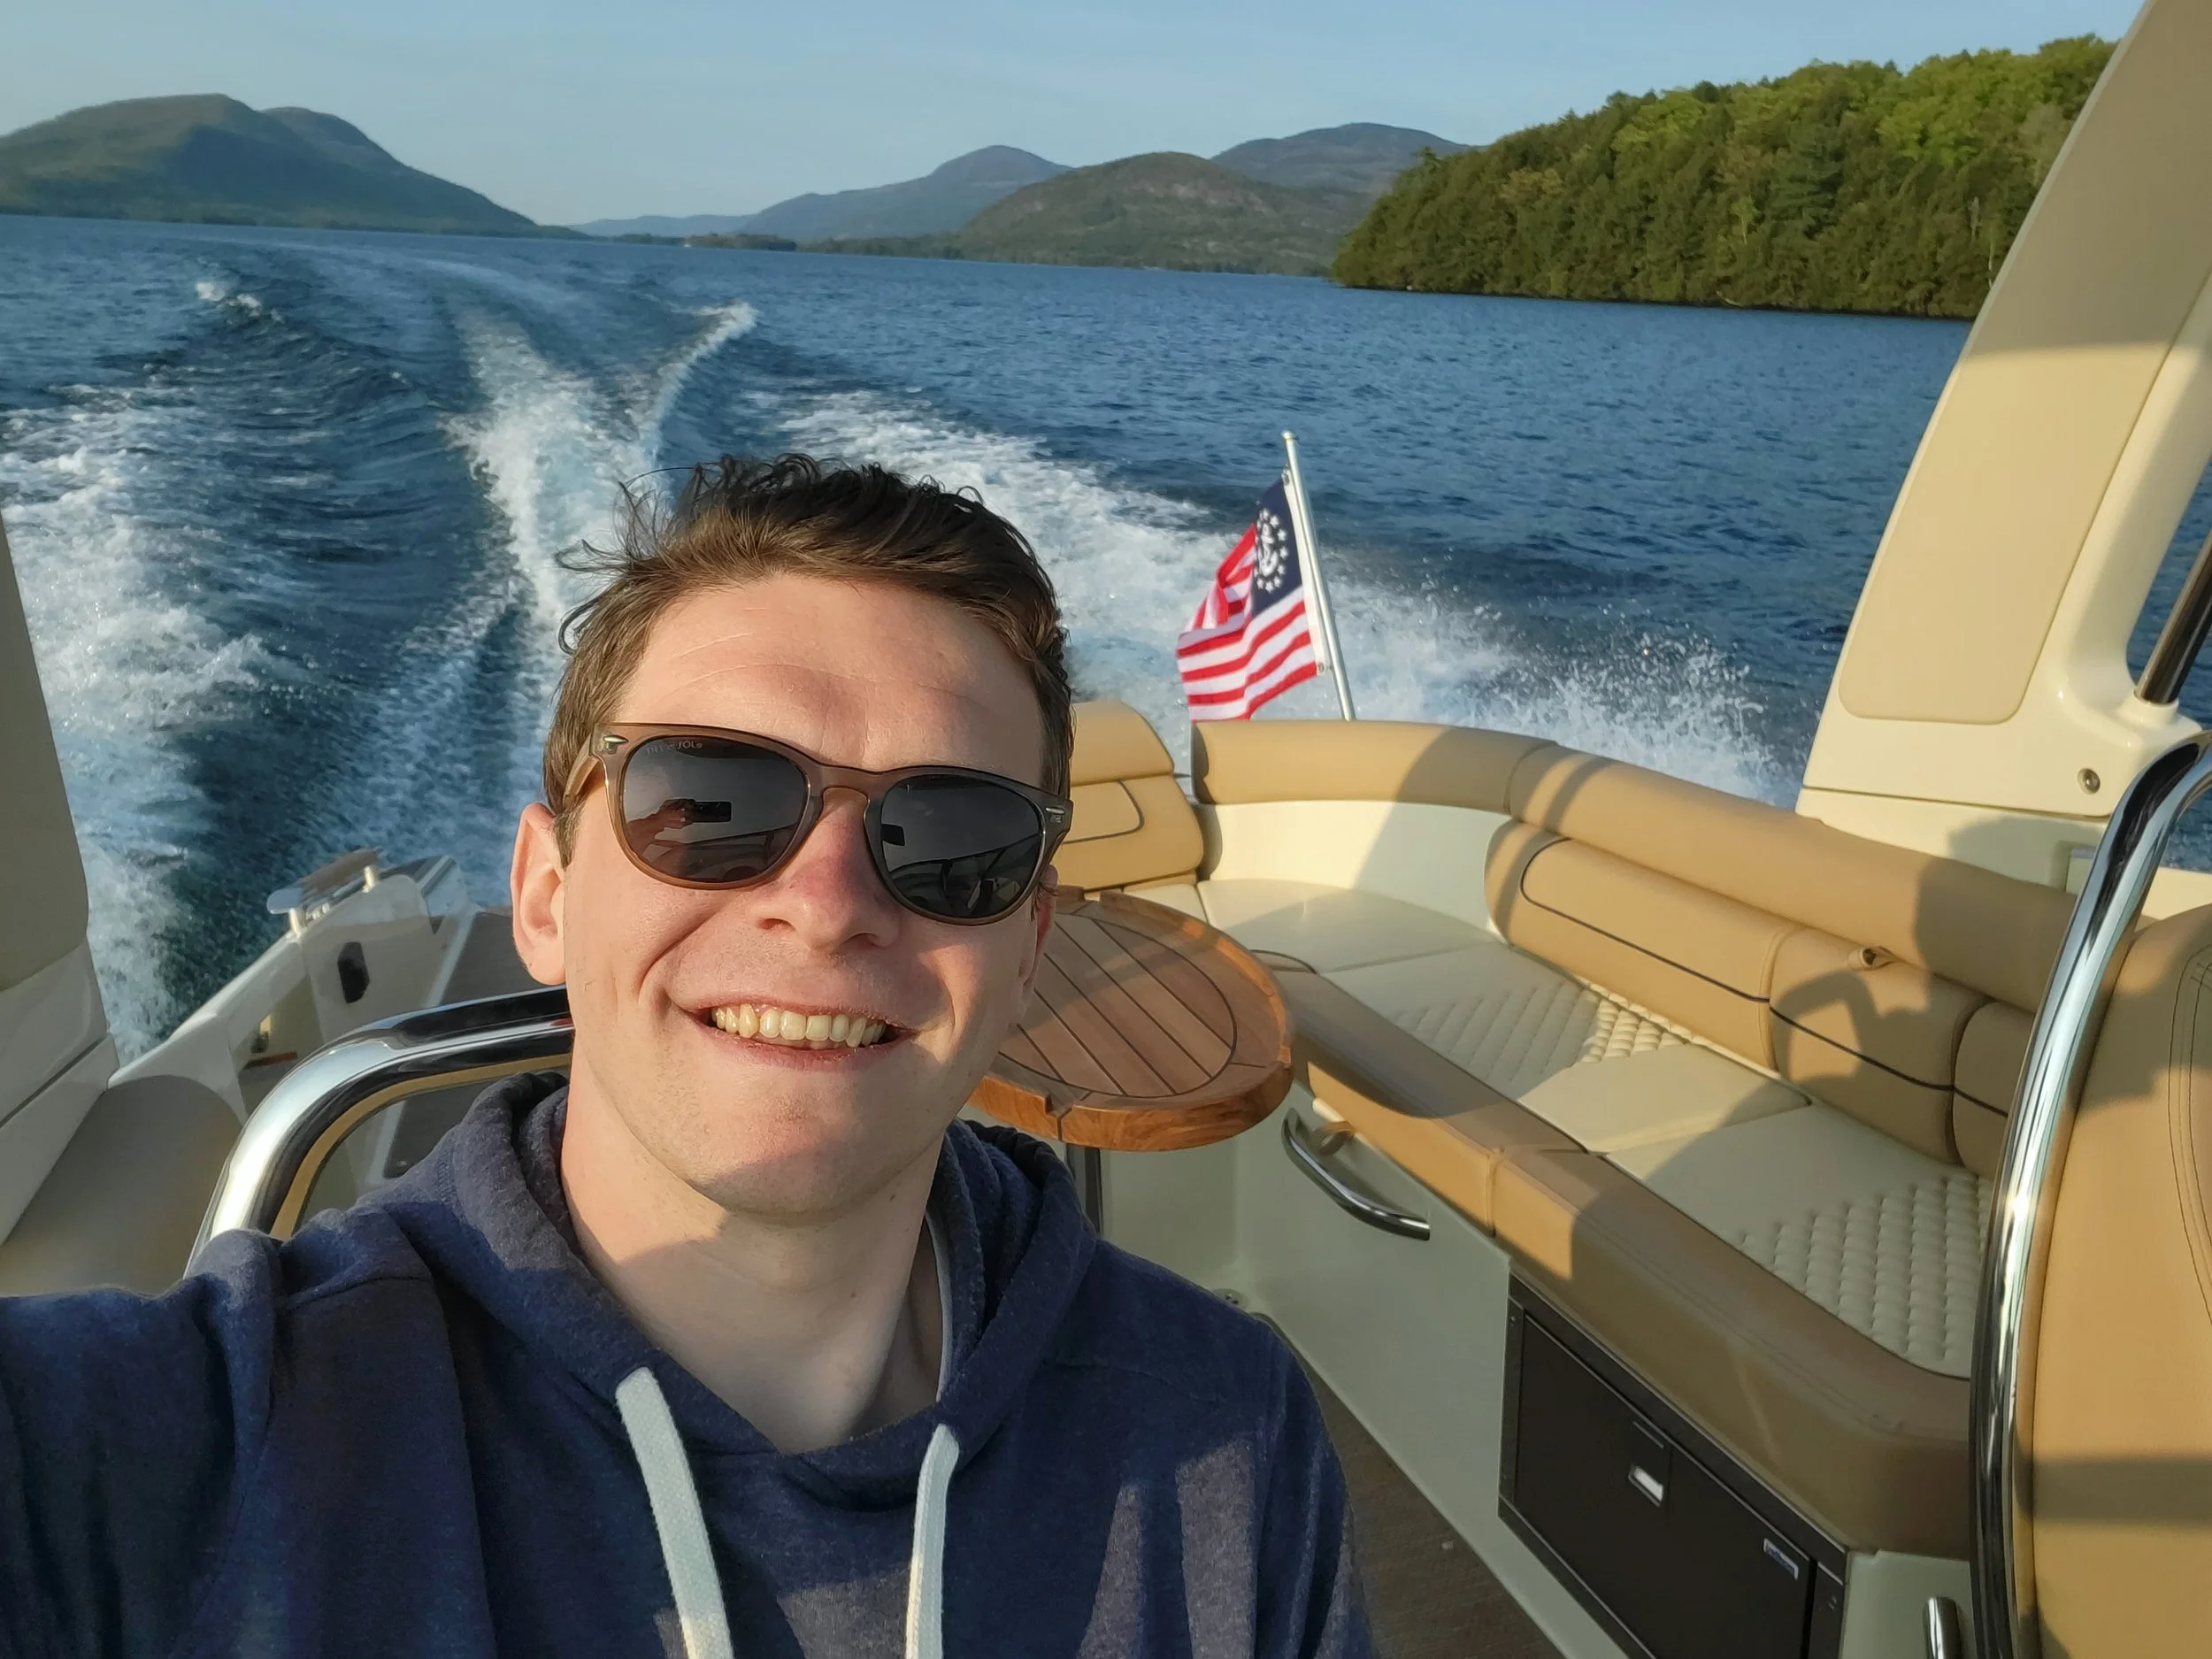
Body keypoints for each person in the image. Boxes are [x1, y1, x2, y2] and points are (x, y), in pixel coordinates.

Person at [0, 454, 1369, 1657]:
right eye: (710, 797)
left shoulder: (1227, 1435)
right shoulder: (182, 1445)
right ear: (545, 888)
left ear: (1025, 947)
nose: (828, 902)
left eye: (951, 837)